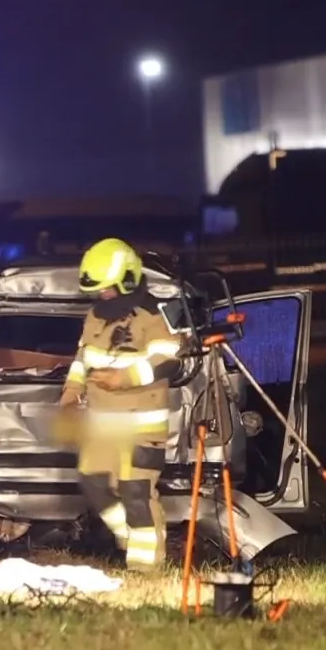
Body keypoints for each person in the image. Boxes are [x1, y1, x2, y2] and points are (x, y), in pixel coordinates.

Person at [58, 237, 186, 573]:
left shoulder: (153, 317)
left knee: (136, 494)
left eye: (108, 289)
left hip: (141, 426)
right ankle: (131, 535)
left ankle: (144, 568)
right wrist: (71, 395)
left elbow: (169, 361)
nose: (103, 296)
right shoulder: (95, 316)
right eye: (98, 290)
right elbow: (82, 360)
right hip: (102, 425)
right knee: (93, 483)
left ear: (128, 280)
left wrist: (124, 378)